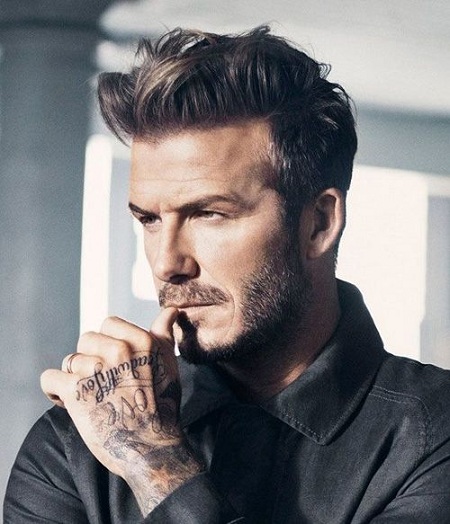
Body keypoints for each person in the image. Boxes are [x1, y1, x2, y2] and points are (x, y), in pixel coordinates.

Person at [4, 25, 450, 524]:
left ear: (319, 224)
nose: (167, 263)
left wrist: (156, 464)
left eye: (208, 214)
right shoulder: (77, 444)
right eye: (149, 219)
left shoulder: (434, 437)